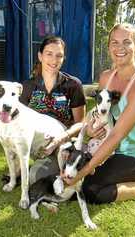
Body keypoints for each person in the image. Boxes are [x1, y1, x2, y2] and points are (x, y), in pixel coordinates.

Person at [61, 23, 135, 204]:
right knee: (70, 173)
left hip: (132, 155)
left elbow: (116, 135)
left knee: (88, 189)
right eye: (114, 43)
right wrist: (91, 130)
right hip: (107, 148)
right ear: (109, 46)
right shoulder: (105, 77)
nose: (120, 48)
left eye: (127, 42)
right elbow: (98, 114)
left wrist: (85, 171)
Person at [19, 35, 86, 185]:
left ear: (64, 58)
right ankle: (58, 164)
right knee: (36, 178)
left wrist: (59, 140)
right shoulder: (28, 86)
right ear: (40, 56)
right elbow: (19, 123)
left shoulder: (73, 85)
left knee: (38, 177)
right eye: (49, 54)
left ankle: (67, 160)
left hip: (62, 140)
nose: (54, 60)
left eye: (59, 56)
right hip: (37, 142)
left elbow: (80, 123)